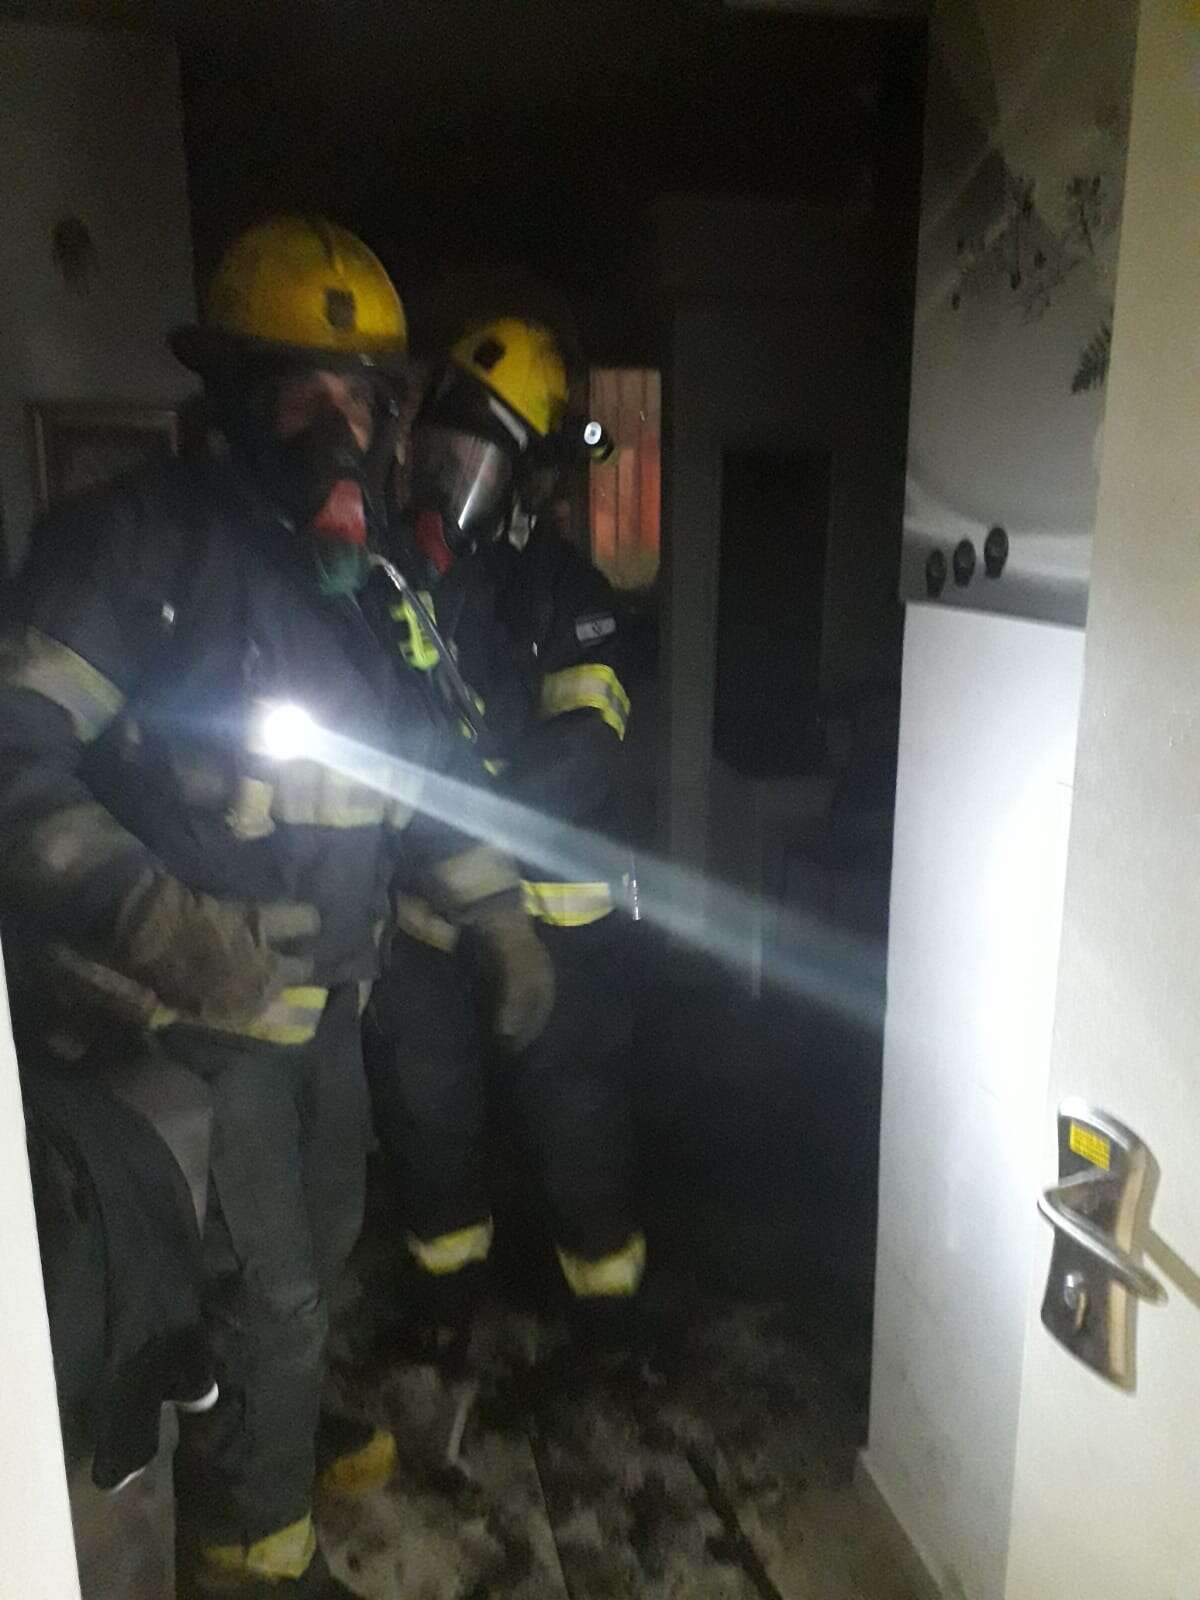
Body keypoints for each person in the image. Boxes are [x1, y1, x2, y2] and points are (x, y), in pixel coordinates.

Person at [0, 219, 552, 1599]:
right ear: (231, 396)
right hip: (190, 1024)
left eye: (357, 397)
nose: (333, 428)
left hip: (325, 1011)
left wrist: (496, 916)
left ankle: (269, 1443)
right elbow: (11, 755)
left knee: (316, 1264)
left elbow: (418, 781)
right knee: (272, 1298)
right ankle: (254, 1560)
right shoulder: (138, 549)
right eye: (297, 393)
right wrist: (162, 924)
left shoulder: (372, 586)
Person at [367, 316, 644, 1335]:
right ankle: (444, 1307)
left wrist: (463, 811)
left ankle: (608, 1318)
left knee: (578, 1123)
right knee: (428, 1116)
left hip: (557, 927)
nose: (450, 479)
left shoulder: (568, 592)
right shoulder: (389, 578)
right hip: (429, 928)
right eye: (441, 451)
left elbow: (587, 749)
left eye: (477, 461)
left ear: (529, 483)